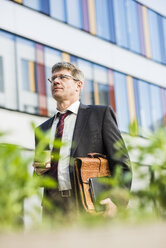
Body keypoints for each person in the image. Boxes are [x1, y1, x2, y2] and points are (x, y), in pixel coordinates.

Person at [33, 62, 131, 217]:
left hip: (91, 204)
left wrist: (117, 201)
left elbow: (121, 163)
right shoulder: (42, 129)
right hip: (53, 209)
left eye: (63, 77)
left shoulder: (100, 115)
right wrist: (38, 172)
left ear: (78, 86)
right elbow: (40, 177)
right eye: (53, 79)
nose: (56, 81)